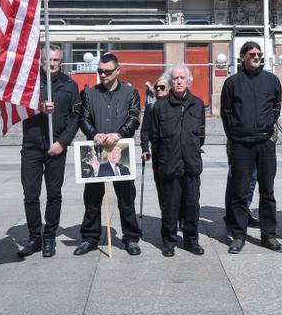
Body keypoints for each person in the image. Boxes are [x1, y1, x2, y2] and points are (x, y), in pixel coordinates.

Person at [75, 53, 143, 256]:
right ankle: (90, 237)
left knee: (126, 198)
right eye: (100, 71)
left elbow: (134, 117)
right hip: (96, 151)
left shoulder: (131, 93)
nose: (103, 75)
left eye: (107, 71)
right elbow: (83, 118)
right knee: (92, 198)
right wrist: (94, 134)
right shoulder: (89, 93)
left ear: (117, 71)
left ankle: (131, 238)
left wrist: (119, 134)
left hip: (120, 150)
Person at [17, 44, 81, 258]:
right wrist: (39, 108)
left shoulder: (70, 85)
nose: (52, 64)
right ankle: (34, 236)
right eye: (48, 60)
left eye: (55, 60)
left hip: (56, 147)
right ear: (41, 61)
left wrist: (62, 143)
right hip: (32, 146)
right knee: (30, 194)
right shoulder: (29, 84)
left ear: (60, 62)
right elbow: (18, 107)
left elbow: (75, 119)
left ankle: (49, 237)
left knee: (54, 195)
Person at [221, 41, 282, 253]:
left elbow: (276, 107)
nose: (256, 57)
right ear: (242, 57)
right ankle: (239, 235)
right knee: (239, 192)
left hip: (265, 144)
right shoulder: (232, 83)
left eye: (259, 54)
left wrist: (267, 127)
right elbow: (226, 113)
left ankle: (269, 235)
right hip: (241, 145)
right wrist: (236, 135)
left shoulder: (272, 81)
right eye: (251, 54)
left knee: (267, 192)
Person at [150, 64, 206, 257]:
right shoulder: (160, 106)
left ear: (188, 80)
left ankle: (191, 241)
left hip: (191, 165)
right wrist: (162, 161)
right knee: (170, 207)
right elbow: (155, 138)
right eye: (175, 78)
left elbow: (201, 136)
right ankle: (168, 242)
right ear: (170, 81)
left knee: (192, 206)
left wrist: (191, 152)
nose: (179, 81)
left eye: (182, 78)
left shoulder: (198, 104)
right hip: (169, 165)